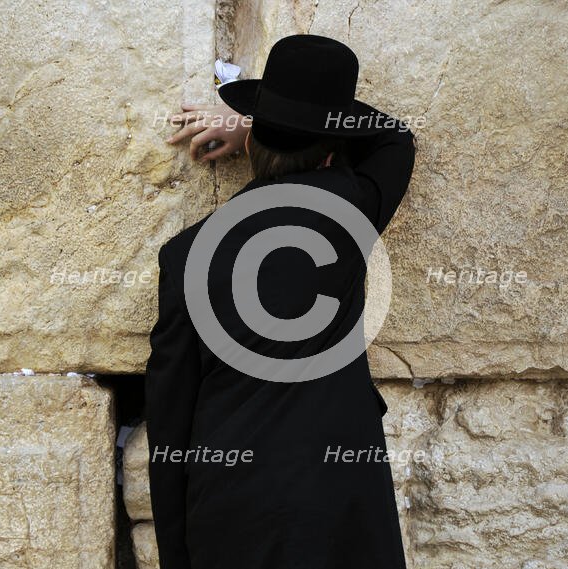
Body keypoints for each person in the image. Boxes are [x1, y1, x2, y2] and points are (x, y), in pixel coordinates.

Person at [145, 34, 415, 569]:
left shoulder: (185, 255)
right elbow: (394, 140)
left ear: (252, 145)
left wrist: (177, 553)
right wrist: (257, 122)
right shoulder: (349, 210)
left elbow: (169, 419)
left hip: (231, 506)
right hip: (342, 501)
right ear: (333, 150)